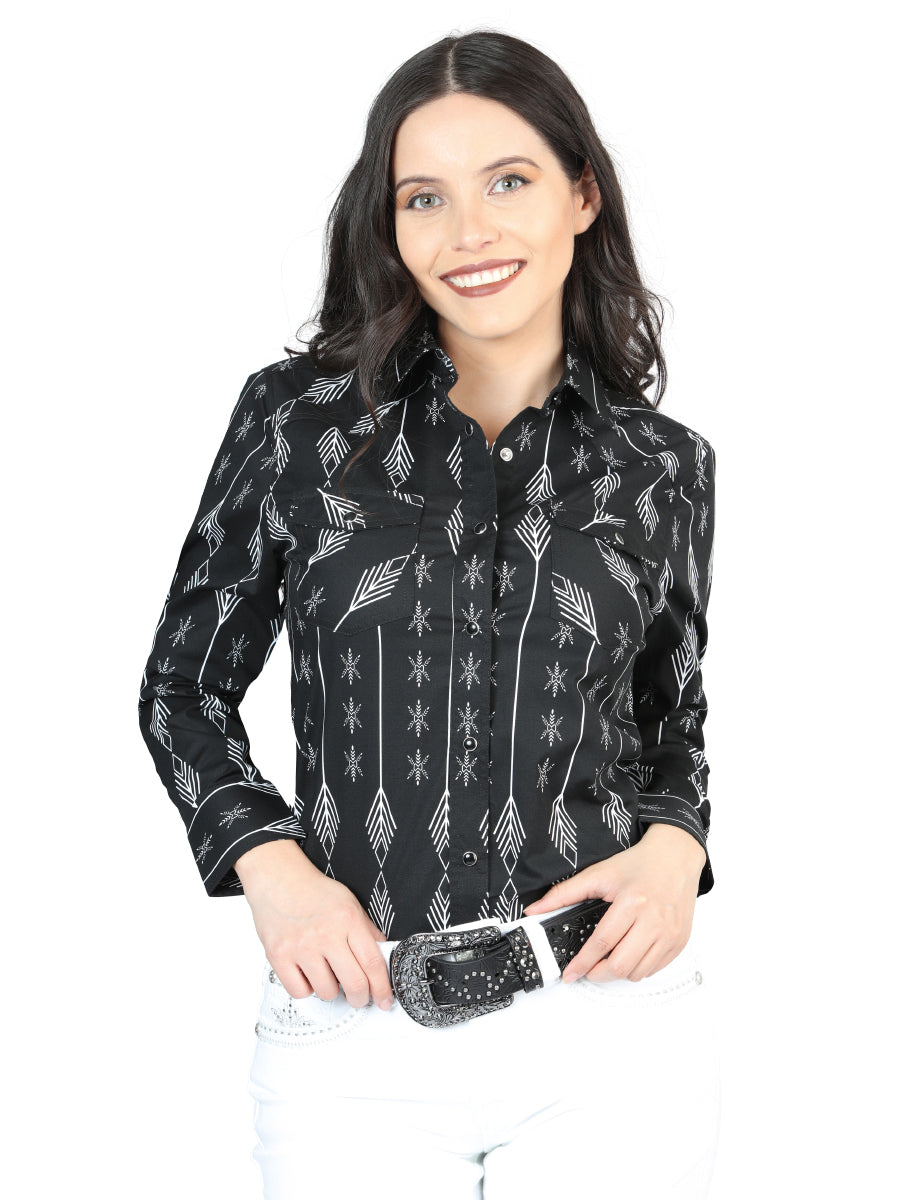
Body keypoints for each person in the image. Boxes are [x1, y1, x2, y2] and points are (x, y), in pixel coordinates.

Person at [137, 27, 721, 1200]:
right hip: (352, 1035)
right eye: (424, 198)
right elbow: (183, 689)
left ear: (582, 196)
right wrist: (271, 868)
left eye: (508, 181)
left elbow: (672, 715)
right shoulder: (298, 423)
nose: (469, 234)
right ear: (390, 226)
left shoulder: (662, 465)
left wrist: (676, 851)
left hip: (609, 1031)